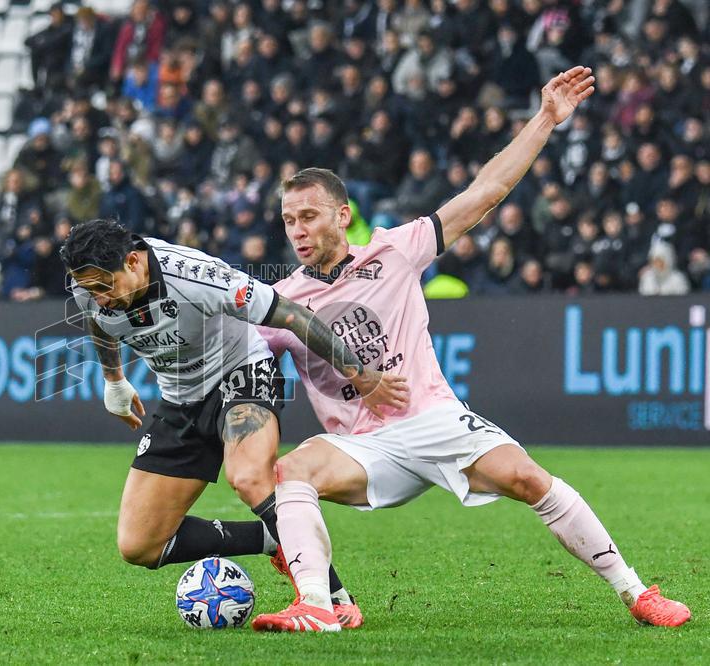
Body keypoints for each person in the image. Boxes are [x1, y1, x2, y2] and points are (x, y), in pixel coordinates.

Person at [249, 67, 691, 631]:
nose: (298, 231)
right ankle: (318, 605)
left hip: (433, 418)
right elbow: (235, 358)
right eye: (289, 221)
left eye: (308, 216)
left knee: (531, 480)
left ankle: (636, 593)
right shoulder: (282, 302)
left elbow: (486, 192)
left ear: (341, 215)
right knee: (290, 472)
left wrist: (545, 120)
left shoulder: (395, 250)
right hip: (361, 446)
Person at [60, 219, 410, 628]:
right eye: (90, 290)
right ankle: (272, 539)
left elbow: (293, 315)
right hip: (180, 397)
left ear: (134, 261)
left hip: (241, 374)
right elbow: (98, 322)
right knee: (139, 544)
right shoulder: (88, 287)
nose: (99, 298)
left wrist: (361, 374)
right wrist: (113, 380)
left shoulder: (196, 277)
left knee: (248, 478)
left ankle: (332, 596)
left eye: (105, 287)